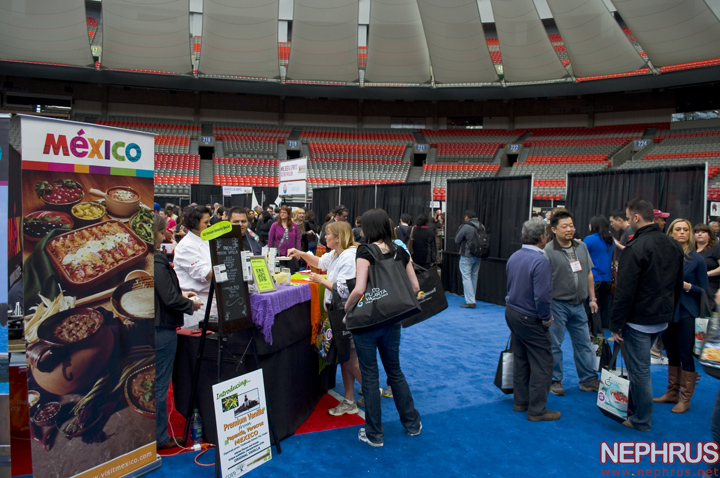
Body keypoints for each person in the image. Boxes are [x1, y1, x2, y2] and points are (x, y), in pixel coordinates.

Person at [345, 208, 422, 447]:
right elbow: (415, 285)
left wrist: (347, 310)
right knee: (395, 371)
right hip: (393, 319)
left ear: (367, 228)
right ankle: (412, 423)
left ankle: (375, 434)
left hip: (367, 321)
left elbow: (358, 290)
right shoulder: (400, 250)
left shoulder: (365, 251)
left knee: (370, 376)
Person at [609, 198, 684, 432]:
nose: (628, 221)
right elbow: (677, 286)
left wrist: (616, 324)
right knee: (639, 370)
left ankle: (641, 419)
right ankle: (636, 409)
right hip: (660, 319)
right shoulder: (673, 245)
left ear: (636, 218)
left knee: (639, 372)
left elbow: (625, 291)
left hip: (639, 321)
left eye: (629, 217)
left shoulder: (635, 247)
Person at [288, 221, 360, 416]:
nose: (325, 237)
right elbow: (320, 263)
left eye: (328, 234)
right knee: (345, 359)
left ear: (338, 237)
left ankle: (372, 390)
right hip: (337, 312)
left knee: (352, 360)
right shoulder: (337, 253)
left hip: (346, 314)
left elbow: (345, 290)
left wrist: (322, 280)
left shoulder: (349, 256)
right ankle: (349, 400)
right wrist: (301, 253)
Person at [154, 213, 202, 449]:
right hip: (161, 328)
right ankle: (160, 437)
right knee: (160, 385)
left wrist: (182, 297)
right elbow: (168, 297)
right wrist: (189, 304)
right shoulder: (156, 260)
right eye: (161, 232)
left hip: (155, 325)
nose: (165, 236)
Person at [505, 219, 558, 421]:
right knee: (543, 362)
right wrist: (546, 318)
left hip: (512, 312)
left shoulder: (515, 256)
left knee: (521, 358)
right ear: (543, 236)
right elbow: (542, 296)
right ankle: (537, 410)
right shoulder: (540, 261)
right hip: (529, 317)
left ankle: (521, 402)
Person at [654, 219, 708, 413]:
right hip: (667, 311)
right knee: (671, 353)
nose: (682, 232)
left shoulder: (697, 259)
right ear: (671, 232)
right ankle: (671, 392)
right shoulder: (664, 256)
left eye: (686, 229)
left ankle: (685, 398)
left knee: (685, 354)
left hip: (687, 312)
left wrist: (687, 286)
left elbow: (704, 291)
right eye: (678, 229)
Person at [544, 209, 599, 396]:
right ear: (554, 229)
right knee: (554, 344)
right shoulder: (548, 252)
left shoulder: (581, 247)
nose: (570, 230)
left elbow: (589, 273)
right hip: (557, 304)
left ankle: (588, 379)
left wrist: (592, 298)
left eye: (571, 225)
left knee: (584, 342)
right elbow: (543, 281)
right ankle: (555, 380)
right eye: (564, 226)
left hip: (579, 304)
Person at [173, 205, 216, 328]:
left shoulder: (207, 240)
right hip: (197, 302)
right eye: (206, 222)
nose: (209, 225)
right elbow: (205, 273)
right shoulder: (186, 245)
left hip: (212, 300)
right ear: (194, 224)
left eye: (209, 222)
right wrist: (227, 261)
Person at [583, 215, 615, 330]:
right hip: (606, 279)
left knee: (591, 310)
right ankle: (597, 336)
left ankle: (595, 337)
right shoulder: (610, 241)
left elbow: (581, 256)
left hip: (594, 279)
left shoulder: (589, 239)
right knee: (599, 309)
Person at [455, 210, 483, 309]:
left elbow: (457, 240)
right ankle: (472, 298)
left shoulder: (466, 227)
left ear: (467, 217)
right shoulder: (481, 226)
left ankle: (470, 301)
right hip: (478, 255)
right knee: (474, 276)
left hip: (466, 255)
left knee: (466, 277)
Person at [696, 223, 720, 304]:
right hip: (693, 284)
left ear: (709, 235)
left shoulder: (715, 248)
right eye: (697, 232)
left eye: (703, 232)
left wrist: (706, 274)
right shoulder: (690, 250)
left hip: (710, 284)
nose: (699, 234)